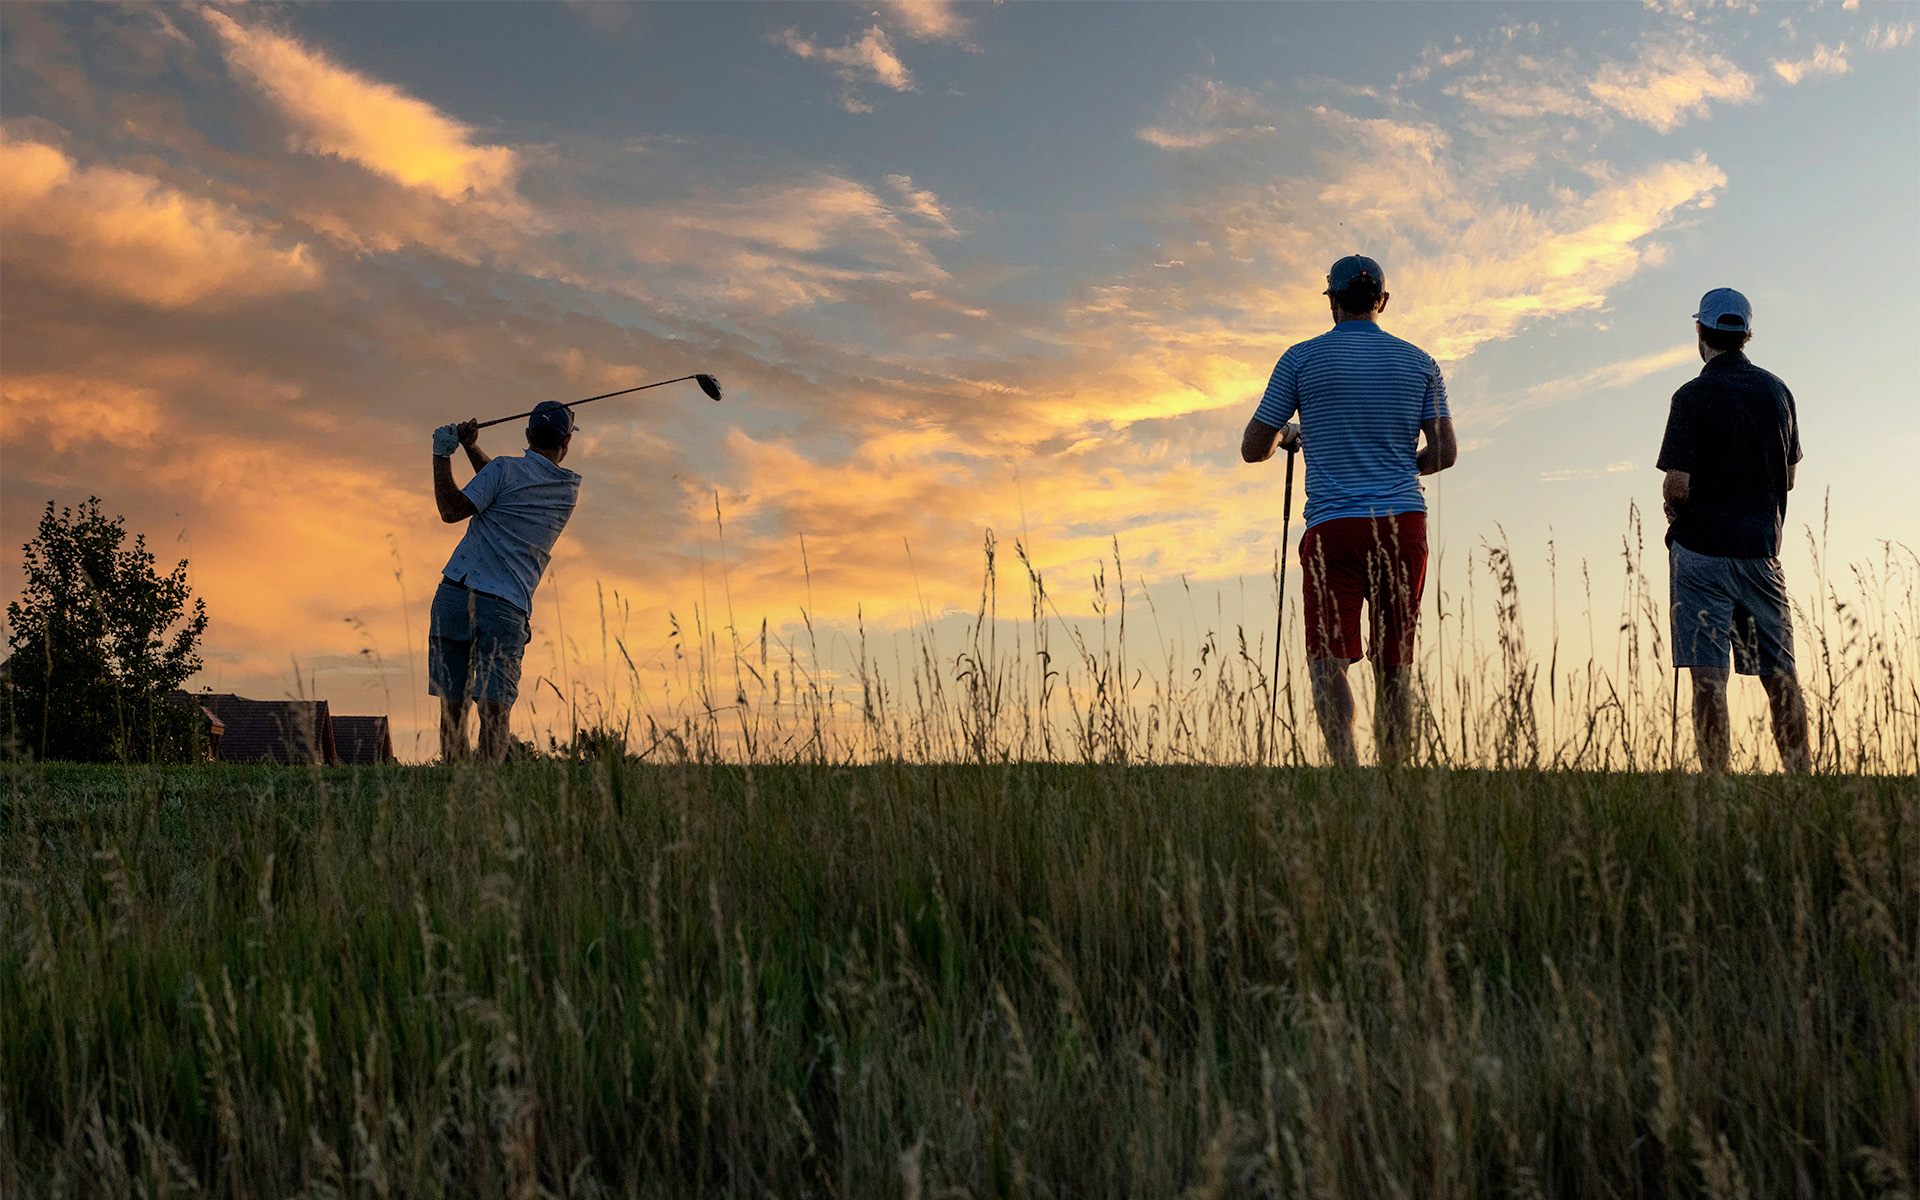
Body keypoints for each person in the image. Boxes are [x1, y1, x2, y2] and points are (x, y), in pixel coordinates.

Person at [1241, 254, 1458, 765]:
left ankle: (1347, 774)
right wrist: (1401, 467)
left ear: (1333, 302)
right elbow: (1444, 452)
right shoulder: (1421, 362)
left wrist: (1288, 434)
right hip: (1402, 524)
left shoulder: (1300, 358)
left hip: (1334, 527)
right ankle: (1395, 778)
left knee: (1328, 662)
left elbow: (1253, 447)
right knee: (1394, 664)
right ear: (1382, 301)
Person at [1657, 287, 1809, 773]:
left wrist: (1676, 516)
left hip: (1701, 554)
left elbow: (1677, 486)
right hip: (1760, 553)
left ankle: (1717, 783)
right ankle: (1801, 777)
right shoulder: (1778, 392)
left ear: (1700, 331)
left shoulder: (1690, 396)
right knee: (1780, 675)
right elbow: (1788, 477)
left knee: (1708, 678)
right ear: (1746, 334)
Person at [429, 401, 582, 762]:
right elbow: (506, 483)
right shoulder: (567, 489)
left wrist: (442, 454)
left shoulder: (503, 470)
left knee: (453, 707)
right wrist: (470, 448)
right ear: (566, 443)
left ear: (528, 434)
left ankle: (453, 788)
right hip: (505, 608)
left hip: (455, 592)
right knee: (494, 711)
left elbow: (452, 510)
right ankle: (487, 791)